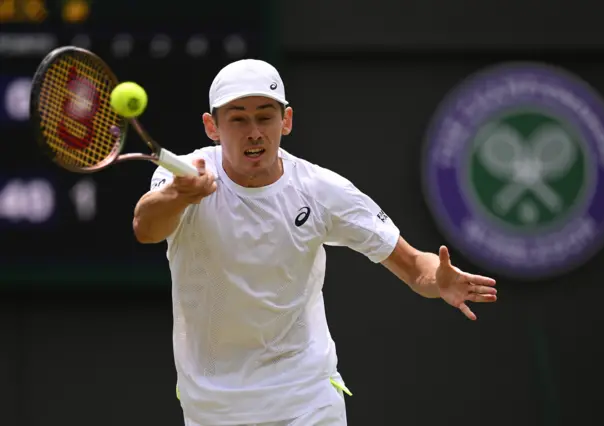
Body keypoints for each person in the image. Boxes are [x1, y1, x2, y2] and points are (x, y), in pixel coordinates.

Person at [132, 59, 498, 426]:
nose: (254, 132)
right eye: (238, 118)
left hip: (306, 403)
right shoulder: (181, 175)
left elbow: (415, 266)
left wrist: (439, 280)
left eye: (265, 117)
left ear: (286, 121)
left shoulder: (320, 190)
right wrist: (181, 196)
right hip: (212, 409)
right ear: (212, 126)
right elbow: (145, 227)